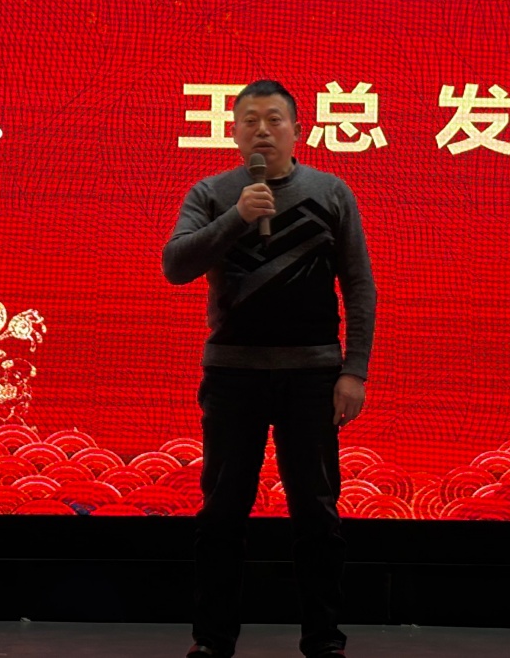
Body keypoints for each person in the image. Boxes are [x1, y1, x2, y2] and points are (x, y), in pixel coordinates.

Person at [163, 80, 377, 658]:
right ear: (233, 132)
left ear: (297, 130)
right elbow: (176, 265)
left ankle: (324, 639)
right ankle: (212, 641)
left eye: (274, 119)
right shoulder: (212, 194)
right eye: (250, 120)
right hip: (233, 376)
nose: (262, 130)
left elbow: (359, 285)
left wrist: (354, 370)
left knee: (316, 512)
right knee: (223, 511)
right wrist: (237, 217)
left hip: (313, 375)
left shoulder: (331, 192)